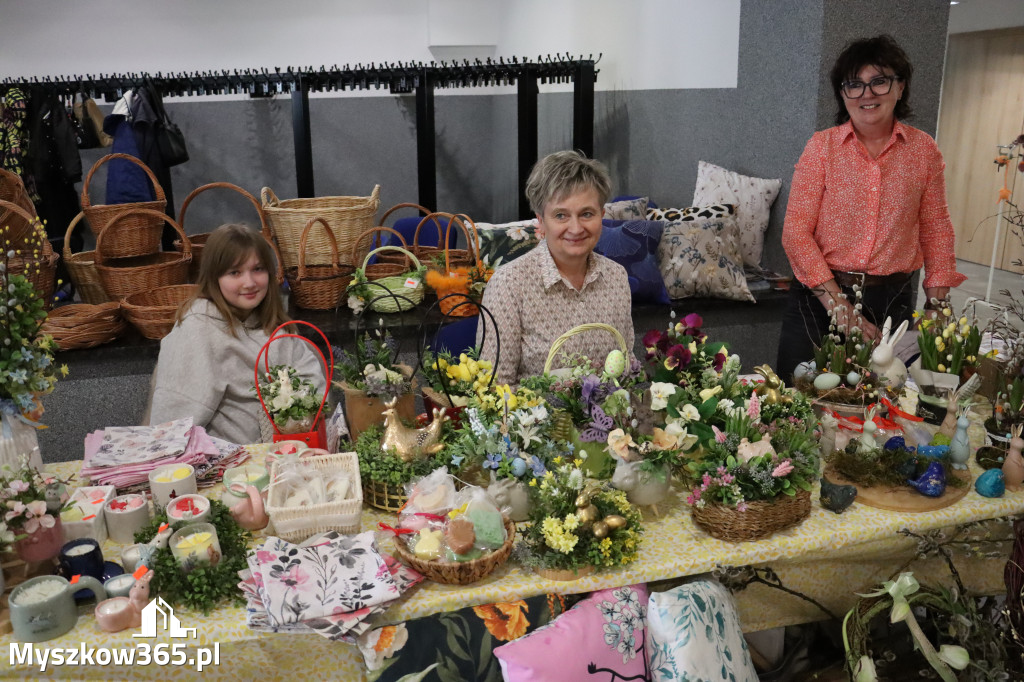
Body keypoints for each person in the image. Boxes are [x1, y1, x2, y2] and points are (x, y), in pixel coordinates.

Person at [776, 35, 966, 383]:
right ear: (843, 93)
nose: (867, 94)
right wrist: (840, 308)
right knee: (797, 404)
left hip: (891, 303)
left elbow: (936, 229)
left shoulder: (923, 151)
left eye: (879, 81)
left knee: (878, 408)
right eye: (854, 84)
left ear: (900, 87)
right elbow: (796, 233)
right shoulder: (822, 148)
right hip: (819, 301)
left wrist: (938, 306)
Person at [149, 224, 325, 443]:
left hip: (293, 455)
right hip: (230, 467)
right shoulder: (196, 331)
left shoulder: (277, 326)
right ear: (214, 278)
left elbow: (316, 394)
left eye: (258, 269)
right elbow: (171, 429)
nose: (249, 283)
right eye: (235, 272)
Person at [479, 150, 635, 385]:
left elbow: (625, 365)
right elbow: (494, 387)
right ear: (540, 221)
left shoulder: (616, 276)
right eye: (561, 215)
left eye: (587, 214)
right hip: (534, 420)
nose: (575, 228)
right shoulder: (509, 284)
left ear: (602, 216)